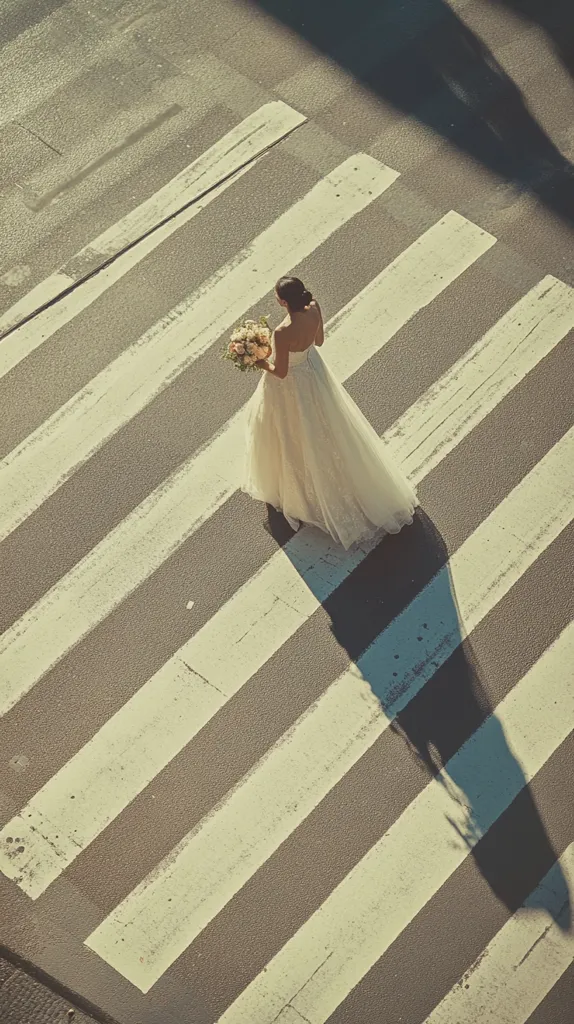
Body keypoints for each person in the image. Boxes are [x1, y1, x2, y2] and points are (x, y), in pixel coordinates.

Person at [242, 275, 418, 549]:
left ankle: (296, 488)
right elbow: (320, 340)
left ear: (284, 301)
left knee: (291, 433)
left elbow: (281, 371)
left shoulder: (282, 332)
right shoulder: (314, 307)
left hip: (293, 388)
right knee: (328, 428)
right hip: (315, 372)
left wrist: (259, 360)